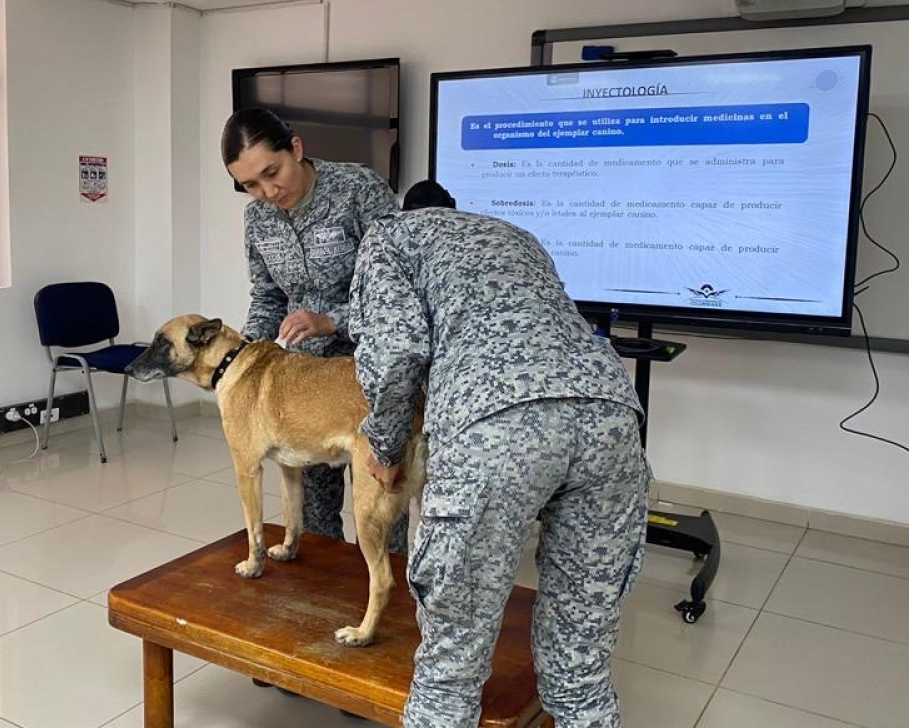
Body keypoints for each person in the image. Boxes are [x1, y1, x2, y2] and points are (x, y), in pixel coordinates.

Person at [348, 208, 648, 728]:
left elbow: (397, 352)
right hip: (610, 414)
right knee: (583, 670)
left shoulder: (388, 236)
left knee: (450, 674)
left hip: (495, 424)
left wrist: (388, 447)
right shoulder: (516, 233)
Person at [221, 107, 409, 555]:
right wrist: (249, 361)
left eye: (273, 172)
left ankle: (393, 599)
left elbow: (400, 292)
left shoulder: (357, 190)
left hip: (375, 373)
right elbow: (267, 298)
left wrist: (331, 321)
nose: (268, 191)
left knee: (380, 500)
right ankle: (326, 601)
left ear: (297, 149)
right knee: (317, 505)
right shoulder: (258, 220)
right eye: (250, 185)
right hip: (305, 382)